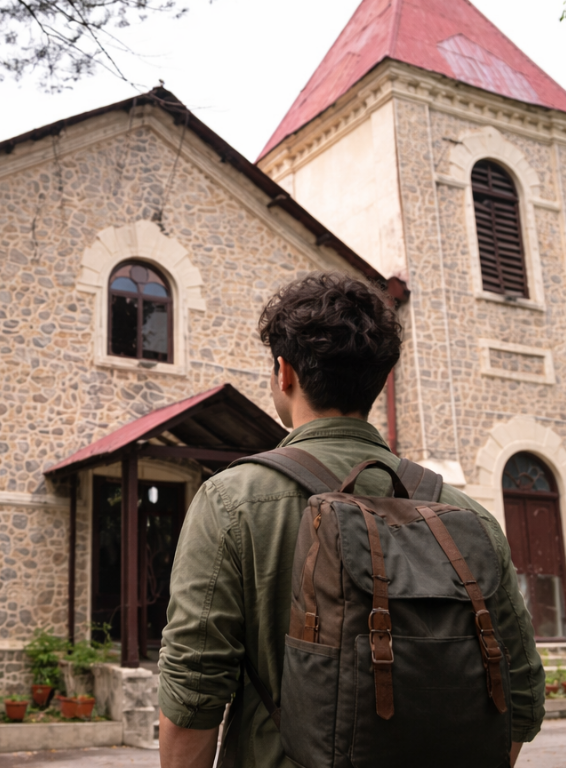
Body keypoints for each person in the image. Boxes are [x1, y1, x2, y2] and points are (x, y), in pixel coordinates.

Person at [157, 273, 544, 768]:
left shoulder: (232, 500)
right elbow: (523, 696)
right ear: (381, 381)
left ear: (284, 372)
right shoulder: (469, 516)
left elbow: (193, 696)